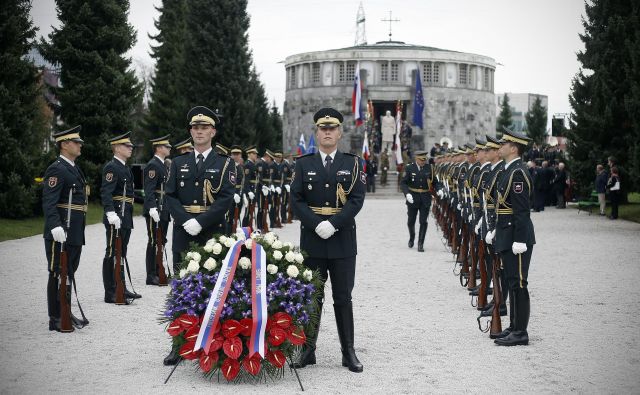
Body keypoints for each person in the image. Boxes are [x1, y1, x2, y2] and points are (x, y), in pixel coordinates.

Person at [291, 107, 366, 373]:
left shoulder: (353, 163)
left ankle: (349, 352)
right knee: (312, 296)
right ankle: (307, 350)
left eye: (331, 128)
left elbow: (356, 200)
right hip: (313, 239)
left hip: (342, 239)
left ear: (339, 132)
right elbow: (296, 200)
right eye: (322, 128)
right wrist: (316, 224)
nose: (327, 132)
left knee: (343, 298)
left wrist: (333, 224)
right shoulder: (303, 163)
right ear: (316, 132)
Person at [163, 105, 235, 365]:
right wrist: (185, 221)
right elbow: (169, 196)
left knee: (216, 287)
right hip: (184, 232)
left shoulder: (225, 163)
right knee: (181, 287)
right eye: (195, 127)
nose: (199, 131)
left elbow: (226, 198)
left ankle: (215, 344)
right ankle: (178, 343)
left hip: (214, 232)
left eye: (204, 127)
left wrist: (202, 221)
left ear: (213, 132)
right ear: (191, 132)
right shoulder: (178, 163)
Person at [487, 128, 535, 346]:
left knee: (519, 282)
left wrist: (520, 240)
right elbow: (502, 205)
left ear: (514, 148)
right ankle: (514, 326)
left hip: (516, 234)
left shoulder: (518, 173)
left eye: (504, 144)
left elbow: (522, 211)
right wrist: (497, 229)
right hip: (506, 231)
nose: (500, 146)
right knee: (511, 280)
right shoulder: (509, 170)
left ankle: (521, 332)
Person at [43, 126, 89, 331]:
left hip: (75, 231)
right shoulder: (57, 168)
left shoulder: (73, 168)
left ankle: (65, 311)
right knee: (57, 272)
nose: (80, 145)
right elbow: (49, 200)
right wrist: (54, 225)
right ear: (64, 144)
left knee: (69, 272)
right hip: (61, 230)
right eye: (76, 142)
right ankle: (55, 317)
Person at [142, 135, 172, 285]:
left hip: (163, 208)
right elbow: (149, 189)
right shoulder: (153, 165)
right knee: (154, 241)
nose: (169, 148)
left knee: (161, 241)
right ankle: (151, 274)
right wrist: (152, 208)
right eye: (167, 146)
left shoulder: (163, 165)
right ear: (159, 148)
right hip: (156, 209)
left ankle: (159, 269)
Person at [400, 150, 433, 252]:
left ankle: (420, 243)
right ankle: (412, 237)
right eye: (421, 160)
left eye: (424, 160)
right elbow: (403, 183)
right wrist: (407, 194)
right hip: (413, 198)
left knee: (423, 221)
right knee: (411, 221)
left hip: (425, 198)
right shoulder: (409, 168)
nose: (423, 162)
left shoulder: (429, 168)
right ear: (416, 159)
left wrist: (440, 189)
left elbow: (435, 181)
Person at [241, 145, 258, 227]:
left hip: (253, 190)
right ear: (249, 154)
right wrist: (248, 192)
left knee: (251, 212)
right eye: (254, 153)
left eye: (256, 154)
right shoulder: (248, 165)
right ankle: (245, 229)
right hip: (250, 192)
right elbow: (246, 181)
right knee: (248, 213)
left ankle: (249, 228)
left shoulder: (252, 164)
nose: (256, 155)